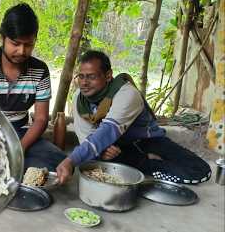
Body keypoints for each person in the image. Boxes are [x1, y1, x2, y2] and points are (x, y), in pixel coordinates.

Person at [56, 50, 212, 185]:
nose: (84, 83)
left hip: (147, 141)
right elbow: (87, 137)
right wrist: (100, 152)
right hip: (115, 145)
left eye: (91, 77)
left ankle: (147, 165)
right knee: (98, 160)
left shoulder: (127, 93)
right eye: (81, 77)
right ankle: (145, 164)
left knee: (199, 171)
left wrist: (71, 160)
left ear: (108, 75)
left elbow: (108, 129)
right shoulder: (79, 98)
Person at [0, 3, 66, 171]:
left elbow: (41, 119)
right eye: (15, 43)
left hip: (22, 134)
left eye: (28, 45)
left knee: (60, 163)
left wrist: (19, 150)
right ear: (2, 38)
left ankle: (12, 167)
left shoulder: (40, 70)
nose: (22, 51)